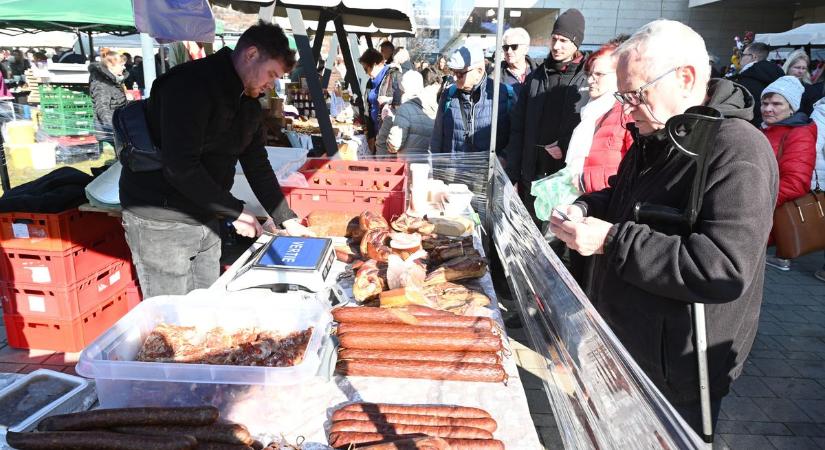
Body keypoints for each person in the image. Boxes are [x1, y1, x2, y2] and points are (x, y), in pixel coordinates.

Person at [549, 20, 778, 435]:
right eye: (623, 96)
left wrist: (612, 241)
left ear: (686, 79)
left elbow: (722, 267)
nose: (626, 109)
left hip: (679, 370)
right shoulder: (658, 134)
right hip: (624, 345)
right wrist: (585, 207)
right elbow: (624, 198)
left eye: (635, 94)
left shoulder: (738, 148)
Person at [118, 22, 314, 298]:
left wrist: (286, 218)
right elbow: (181, 167)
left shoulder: (249, 103)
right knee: (173, 316)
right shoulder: (189, 84)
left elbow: (257, 164)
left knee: (207, 302)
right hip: (161, 218)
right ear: (251, 54)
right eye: (271, 74)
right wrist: (237, 210)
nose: (271, 85)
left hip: (207, 212)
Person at [505, 8, 590, 220]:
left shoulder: (587, 80)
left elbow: (591, 130)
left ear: (576, 43)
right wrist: (513, 174)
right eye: (554, 39)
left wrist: (565, 144)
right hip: (531, 177)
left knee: (557, 246)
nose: (557, 46)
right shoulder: (535, 78)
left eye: (564, 40)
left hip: (565, 184)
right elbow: (518, 129)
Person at [759, 76, 817, 272]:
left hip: (767, 213)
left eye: (776, 104)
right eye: (765, 103)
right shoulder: (767, 129)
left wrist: (758, 202)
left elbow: (796, 183)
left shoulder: (798, 134)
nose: (768, 109)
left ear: (791, 108)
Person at [563, 39, 633, 196]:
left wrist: (586, 179)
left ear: (619, 75)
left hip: (607, 205)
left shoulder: (627, 112)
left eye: (599, 74)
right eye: (590, 74)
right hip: (582, 201)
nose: (590, 80)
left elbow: (635, 169)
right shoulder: (590, 112)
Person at [430, 44, 512, 154]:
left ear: (479, 70)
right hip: (452, 170)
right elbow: (437, 138)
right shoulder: (448, 94)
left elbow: (516, 137)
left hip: (489, 170)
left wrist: (504, 158)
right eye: (453, 72)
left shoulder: (503, 94)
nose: (454, 78)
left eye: (459, 74)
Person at [376, 70, 437, 155]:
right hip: (429, 163)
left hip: (408, 164)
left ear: (404, 89)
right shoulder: (434, 107)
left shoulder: (405, 109)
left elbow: (394, 144)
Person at [730, 41, 784, 126]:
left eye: (743, 55)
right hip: (773, 126)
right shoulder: (778, 76)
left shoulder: (745, 79)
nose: (740, 58)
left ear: (754, 57)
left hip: (747, 127)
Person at [359, 48, 401, 153]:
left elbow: (401, 102)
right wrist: (371, 136)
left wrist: (389, 101)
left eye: (366, 68)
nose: (366, 72)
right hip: (376, 132)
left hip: (389, 133)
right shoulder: (370, 82)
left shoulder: (393, 75)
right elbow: (368, 108)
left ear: (375, 64)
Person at [88, 49, 129, 130]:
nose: (124, 67)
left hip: (117, 129)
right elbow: (103, 110)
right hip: (108, 133)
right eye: (121, 65)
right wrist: (116, 128)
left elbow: (117, 104)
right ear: (111, 66)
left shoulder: (114, 81)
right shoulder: (102, 83)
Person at [500, 27, 536, 96]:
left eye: (514, 46)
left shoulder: (539, 72)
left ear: (526, 49)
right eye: (506, 47)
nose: (509, 51)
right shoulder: (496, 76)